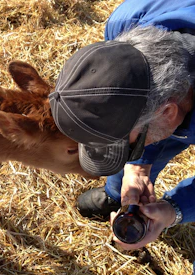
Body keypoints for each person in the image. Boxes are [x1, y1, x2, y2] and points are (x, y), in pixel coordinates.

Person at [49, 0, 195, 250]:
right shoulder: (126, 24)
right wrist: (136, 168)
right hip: (167, 105)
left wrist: (175, 210)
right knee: (140, 131)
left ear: (168, 113)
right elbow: (137, 103)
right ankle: (116, 193)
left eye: (128, 148)